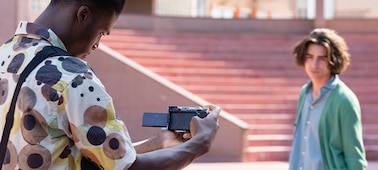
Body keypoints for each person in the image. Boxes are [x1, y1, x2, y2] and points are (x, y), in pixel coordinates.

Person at [0, 0, 221, 169]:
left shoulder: (6, 55)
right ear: (83, 15)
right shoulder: (72, 76)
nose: (96, 45)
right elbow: (129, 168)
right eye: (101, 33)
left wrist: (158, 143)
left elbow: (86, 153)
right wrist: (200, 143)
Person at [288, 28, 367, 170]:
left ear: (333, 60)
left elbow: (355, 157)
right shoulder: (304, 93)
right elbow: (300, 143)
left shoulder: (344, 100)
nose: (314, 64)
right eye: (309, 57)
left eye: (322, 58)